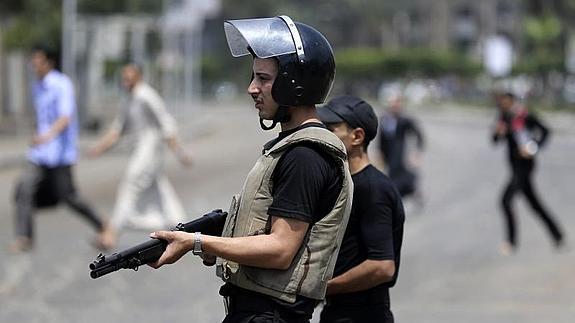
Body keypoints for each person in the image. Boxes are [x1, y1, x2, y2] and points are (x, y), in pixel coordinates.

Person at [147, 16, 353, 323]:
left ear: (293, 83)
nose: (252, 88)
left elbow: (281, 248)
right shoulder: (293, 146)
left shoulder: (305, 156)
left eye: (264, 79)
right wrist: (221, 241)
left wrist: (196, 242)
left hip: (271, 316)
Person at [9, 44, 113, 252]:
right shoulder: (37, 86)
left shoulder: (61, 84)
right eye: (33, 61)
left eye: (38, 61)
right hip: (40, 154)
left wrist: (47, 135)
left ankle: (102, 225)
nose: (34, 65)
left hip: (60, 153)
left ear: (49, 62)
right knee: (23, 190)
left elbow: (66, 117)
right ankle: (25, 237)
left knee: (69, 197)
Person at [317, 95, 405, 323]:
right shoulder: (344, 183)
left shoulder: (373, 189)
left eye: (331, 129)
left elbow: (382, 267)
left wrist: (321, 288)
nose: (323, 135)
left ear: (357, 136)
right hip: (336, 312)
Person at [88, 63, 192, 249]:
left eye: (129, 77)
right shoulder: (129, 99)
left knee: (130, 186)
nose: (125, 81)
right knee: (159, 187)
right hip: (140, 151)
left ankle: (111, 234)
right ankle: (181, 226)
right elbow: (118, 129)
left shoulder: (147, 96)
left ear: (139, 76)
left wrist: (180, 152)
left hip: (150, 152)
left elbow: (166, 124)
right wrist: (99, 148)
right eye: (123, 78)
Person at [492, 92, 565, 254]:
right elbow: (495, 140)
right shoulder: (503, 118)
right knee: (535, 204)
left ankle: (511, 242)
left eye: (506, 102)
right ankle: (558, 235)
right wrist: (498, 132)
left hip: (525, 166)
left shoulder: (524, 116)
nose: (503, 105)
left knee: (505, 200)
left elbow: (545, 131)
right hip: (513, 165)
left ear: (512, 102)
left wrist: (533, 147)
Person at [378, 95, 425, 198]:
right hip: (388, 153)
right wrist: (380, 152)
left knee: (398, 175)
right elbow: (381, 138)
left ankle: (396, 196)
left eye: (397, 104)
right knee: (396, 174)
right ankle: (408, 192)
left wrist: (417, 152)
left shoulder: (405, 120)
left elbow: (418, 134)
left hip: (399, 152)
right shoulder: (384, 119)